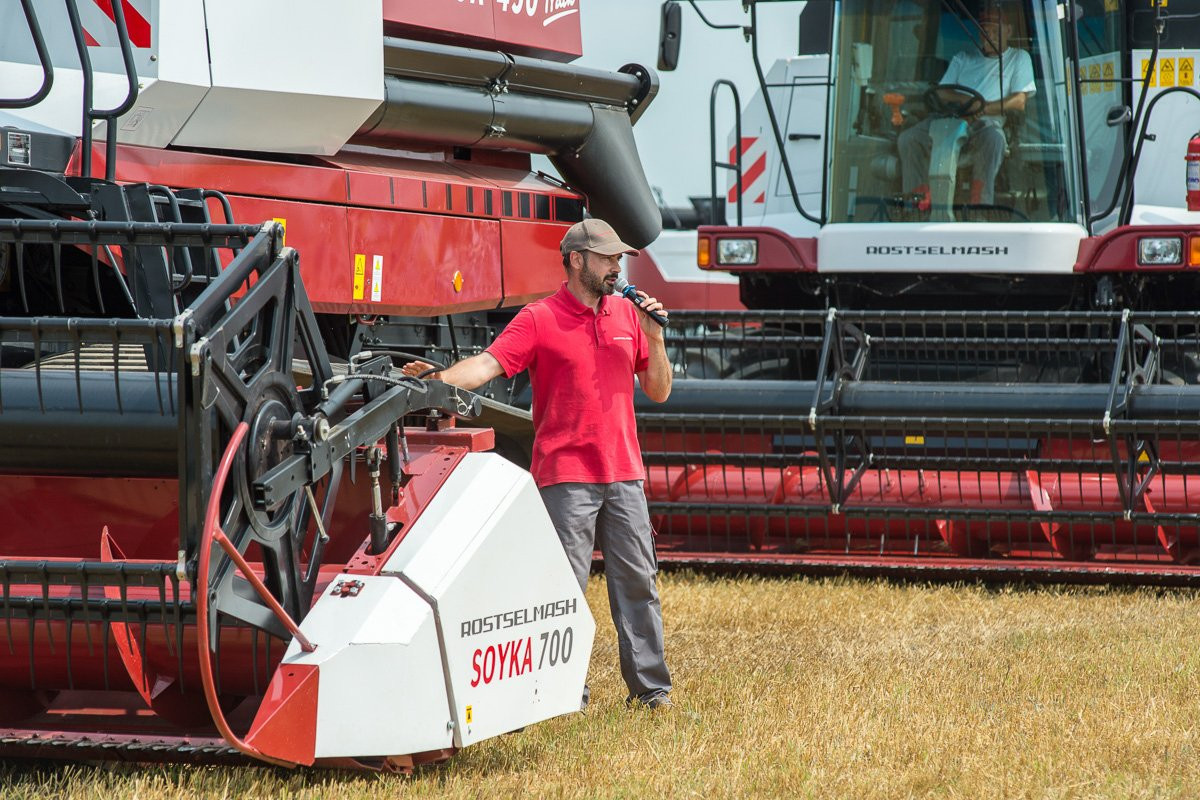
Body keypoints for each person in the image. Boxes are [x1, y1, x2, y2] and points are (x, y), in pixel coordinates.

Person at [401, 218, 675, 711]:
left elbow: (658, 390)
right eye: (608, 257)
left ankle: (652, 691)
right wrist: (437, 384)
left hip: (624, 473)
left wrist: (654, 338)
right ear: (576, 260)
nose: (617, 266)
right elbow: (487, 365)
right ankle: (564, 692)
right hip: (565, 476)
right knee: (563, 590)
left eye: (619, 258)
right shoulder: (538, 318)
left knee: (638, 584)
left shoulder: (629, 316)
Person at [897, 4, 1035, 206]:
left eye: (995, 31)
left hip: (985, 123)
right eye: (984, 31)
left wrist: (981, 109)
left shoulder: (1018, 58)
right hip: (949, 119)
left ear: (1008, 31)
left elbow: (1019, 101)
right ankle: (918, 201)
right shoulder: (963, 58)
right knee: (909, 139)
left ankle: (980, 203)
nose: (989, 36)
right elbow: (943, 92)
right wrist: (966, 103)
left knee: (995, 140)